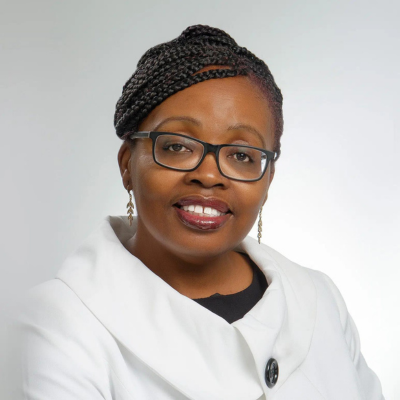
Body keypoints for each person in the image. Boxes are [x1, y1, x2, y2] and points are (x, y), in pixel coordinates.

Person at [18, 24, 385, 399]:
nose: (208, 175)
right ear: (127, 163)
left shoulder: (319, 299)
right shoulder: (58, 323)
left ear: (268, 179)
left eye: (242, 155)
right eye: (178, 146)